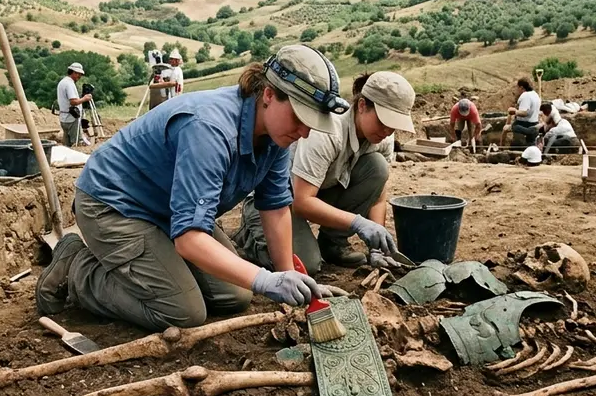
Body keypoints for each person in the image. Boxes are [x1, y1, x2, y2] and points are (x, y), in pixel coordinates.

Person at [36, 45, 345, 331]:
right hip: (114, 205)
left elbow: (275, 208)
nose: (304, 132)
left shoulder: (276, 135)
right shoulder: (210, 130)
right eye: (299, 117)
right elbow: (189, 240)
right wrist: (265, 280)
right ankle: (77, 269)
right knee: (183, 312)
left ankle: (152, 264)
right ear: (268, 94)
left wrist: (288, 278)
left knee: (236, 295)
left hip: (166, 207)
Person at [234, 71, 416, 274]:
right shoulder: (329, 132)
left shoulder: (383, 137)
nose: (387, 131)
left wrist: (377, 247)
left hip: (318, 191)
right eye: (382, 122)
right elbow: (301, 202)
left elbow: (378, 195)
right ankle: (248, 236)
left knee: (377, 166)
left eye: (393, 126)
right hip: (275, 200)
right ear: (362, 106)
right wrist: (357, 222)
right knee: (306, 265)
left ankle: (333, 244)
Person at [57, 63, 93, 147]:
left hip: (64, 117)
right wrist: (85, 98)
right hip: (71, 118)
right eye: (78, 74)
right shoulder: (69, 84)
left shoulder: (63, 82)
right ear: (73, 72)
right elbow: (73, 102)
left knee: (67, 144)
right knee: (76, 143)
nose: (79, 76)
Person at [509, 78, 542, 148]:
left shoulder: (525, 95)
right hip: (534, 122)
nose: (516, 90)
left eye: (517, 87)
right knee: (531, 144)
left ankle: (519, 146)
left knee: (514, 127)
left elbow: (524, 113)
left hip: (524, 124)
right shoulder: (535, 94)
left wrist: (514, 111)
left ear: (521, 87)